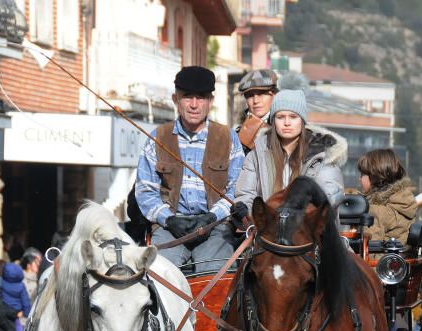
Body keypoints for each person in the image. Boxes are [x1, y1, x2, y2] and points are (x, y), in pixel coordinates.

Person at [135, 65, 245, 273]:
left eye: (201, 97)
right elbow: (145, 191)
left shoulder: (229, 138)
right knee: (158, 276)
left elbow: (236, 190)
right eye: (187, 97)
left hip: (216, 228)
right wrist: (168, 218)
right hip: (169, 229)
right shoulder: (156, 137)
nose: (194, 105)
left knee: (216, 280)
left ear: (211, 101)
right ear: (176, 100)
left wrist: (213, 217)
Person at [235, 88, 346, 214]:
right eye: (280, 117)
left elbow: (329, 196)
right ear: (273, 121)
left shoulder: (323, 153)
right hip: (268, 228)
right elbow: (246, 195)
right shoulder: (256, 155)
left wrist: (296, 215)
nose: (287, 123)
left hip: (309, 229)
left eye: (293, 117)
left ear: (302, 121)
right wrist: (245, 210)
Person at [358, 149, 416, 245]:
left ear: (374, 177)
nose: (359, 179)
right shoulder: (402, 202)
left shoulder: (375, 212)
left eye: (362, 175)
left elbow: (370, 254)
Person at [235, 69, 278, 153]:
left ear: (274, 94)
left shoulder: (286, 127)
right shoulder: (237, 134)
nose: (255, 101)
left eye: (261, 94)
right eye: (250, 95)